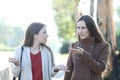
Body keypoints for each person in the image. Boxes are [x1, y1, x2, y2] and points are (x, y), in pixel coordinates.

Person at [64, 15, 111, 80]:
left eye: (83, 28)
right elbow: (68, 70)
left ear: (91, 29)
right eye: (78, 28)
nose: (80, 31)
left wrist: (84, 54)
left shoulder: (103, 46)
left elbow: (100, 69)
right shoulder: (74, 45)